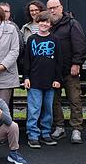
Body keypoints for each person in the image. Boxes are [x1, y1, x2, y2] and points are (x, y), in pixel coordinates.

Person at [46, 0, 86, 144]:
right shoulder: (47, 25)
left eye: (55, 7)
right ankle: (59, 127)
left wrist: (76, 63)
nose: (52, 10)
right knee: (54, 101)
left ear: (61, 7)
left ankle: (76, 129)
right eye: (50, 8)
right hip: (53, 71)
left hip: (70, 70)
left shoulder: (72, 23)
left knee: (75, 99)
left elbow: (80, 44)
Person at [22, 11, 62, 149]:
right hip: (34, 81)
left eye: (47, 22)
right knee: (34, 109)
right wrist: (26, 77)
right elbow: (26, 61)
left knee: (48, 109)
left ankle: (45, 133)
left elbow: (58, 61)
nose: (44, 24)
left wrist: (57, 78)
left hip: (50, 81)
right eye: (42, 21)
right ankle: (33, 134)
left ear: (50, 25)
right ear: (38, 23)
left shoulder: (55, 40)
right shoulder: (31, 39)